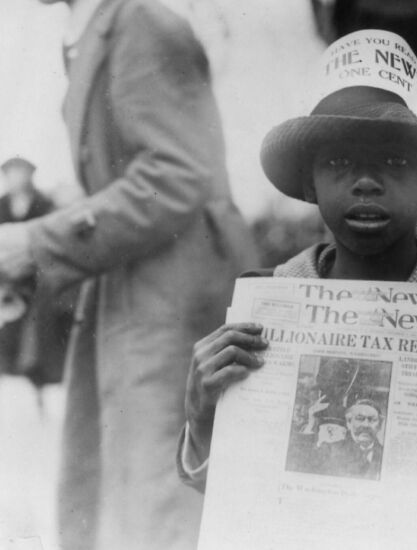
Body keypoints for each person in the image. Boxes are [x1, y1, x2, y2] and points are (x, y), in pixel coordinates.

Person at [177, 30, 417, 549]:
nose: (366, 183)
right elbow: (230, 488)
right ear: (310, 184)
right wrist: (202, 415)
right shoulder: (269, 306)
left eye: (395, 162)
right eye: (339, 163)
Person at [0, 1, 257, 549]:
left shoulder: (141, 22)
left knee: (155, 502)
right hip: (133, 289)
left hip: (172, 297)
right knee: (119, 498)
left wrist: (36, 242)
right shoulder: (97, 29)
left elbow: (176, 174)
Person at [0, 156, 71, 394]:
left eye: (21, 172)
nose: (16, 178)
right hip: (6, 277)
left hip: (38, 278)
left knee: (38, 336)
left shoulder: (44, 203)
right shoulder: (1, 205)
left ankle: (39, 382)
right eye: (10, 173)